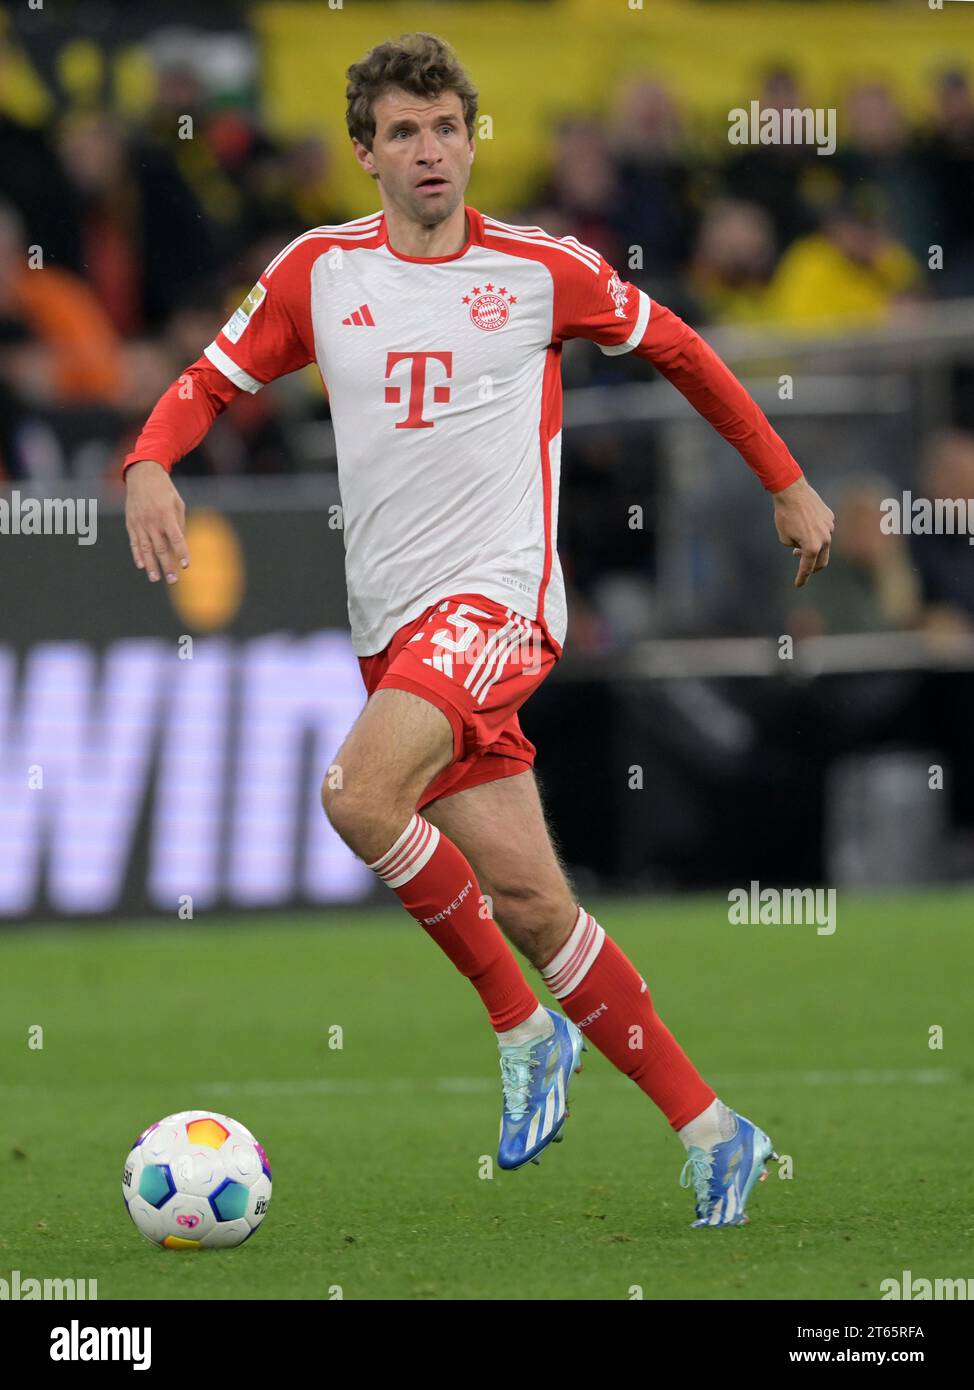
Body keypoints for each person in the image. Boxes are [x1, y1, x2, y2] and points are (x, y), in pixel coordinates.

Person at [122, 33, 834, 1227]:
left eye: (446, 125)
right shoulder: (316, 274)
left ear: (470, 136)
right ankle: (715, 1131)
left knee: (356, 794)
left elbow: (676, 347)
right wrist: (149, 460)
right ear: (365, 154)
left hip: (499, 604)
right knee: (535, 905)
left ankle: (519, 1029)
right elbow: (206, 380)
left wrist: (785, 477)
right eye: (402, 132)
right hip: (394, 629)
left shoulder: (540, 268)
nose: (430, 149)